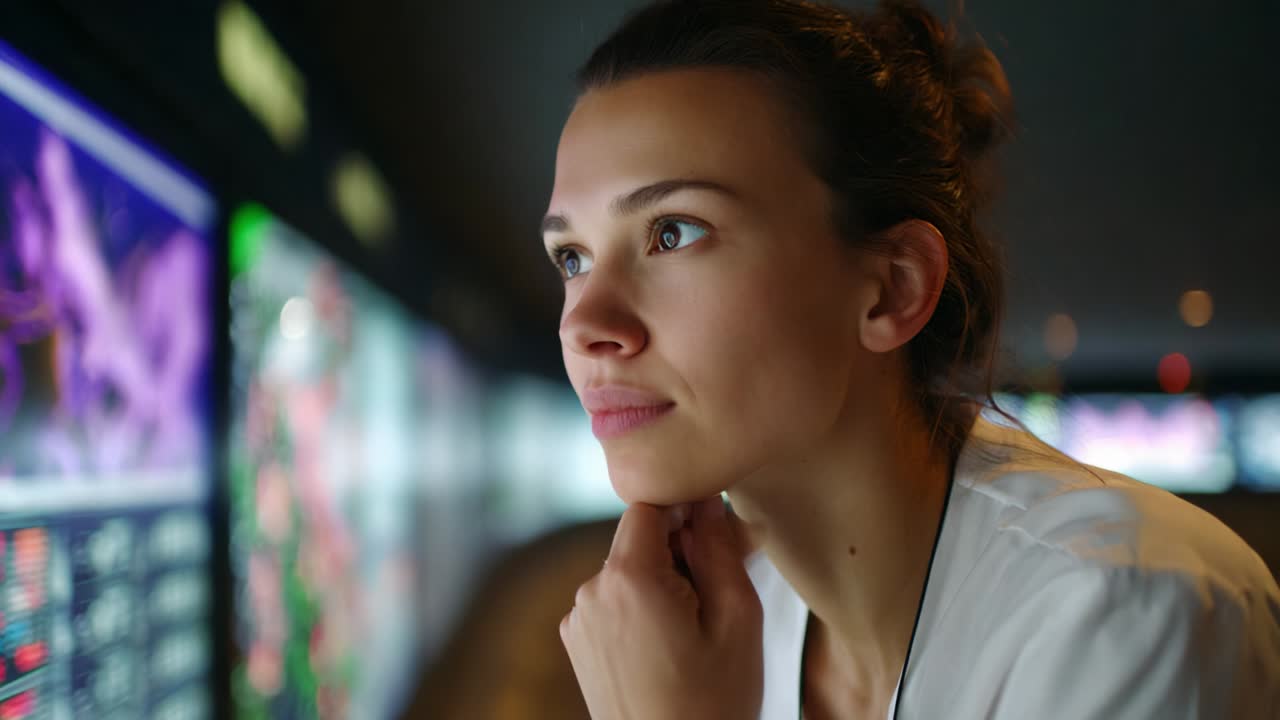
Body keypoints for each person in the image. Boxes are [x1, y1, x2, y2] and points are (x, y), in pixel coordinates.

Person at [544, 0, 1280, 718]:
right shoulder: (696, 630)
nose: (585, 324)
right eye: (571, 257)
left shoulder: (1127, 614)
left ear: (892, 288)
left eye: (673, 232)